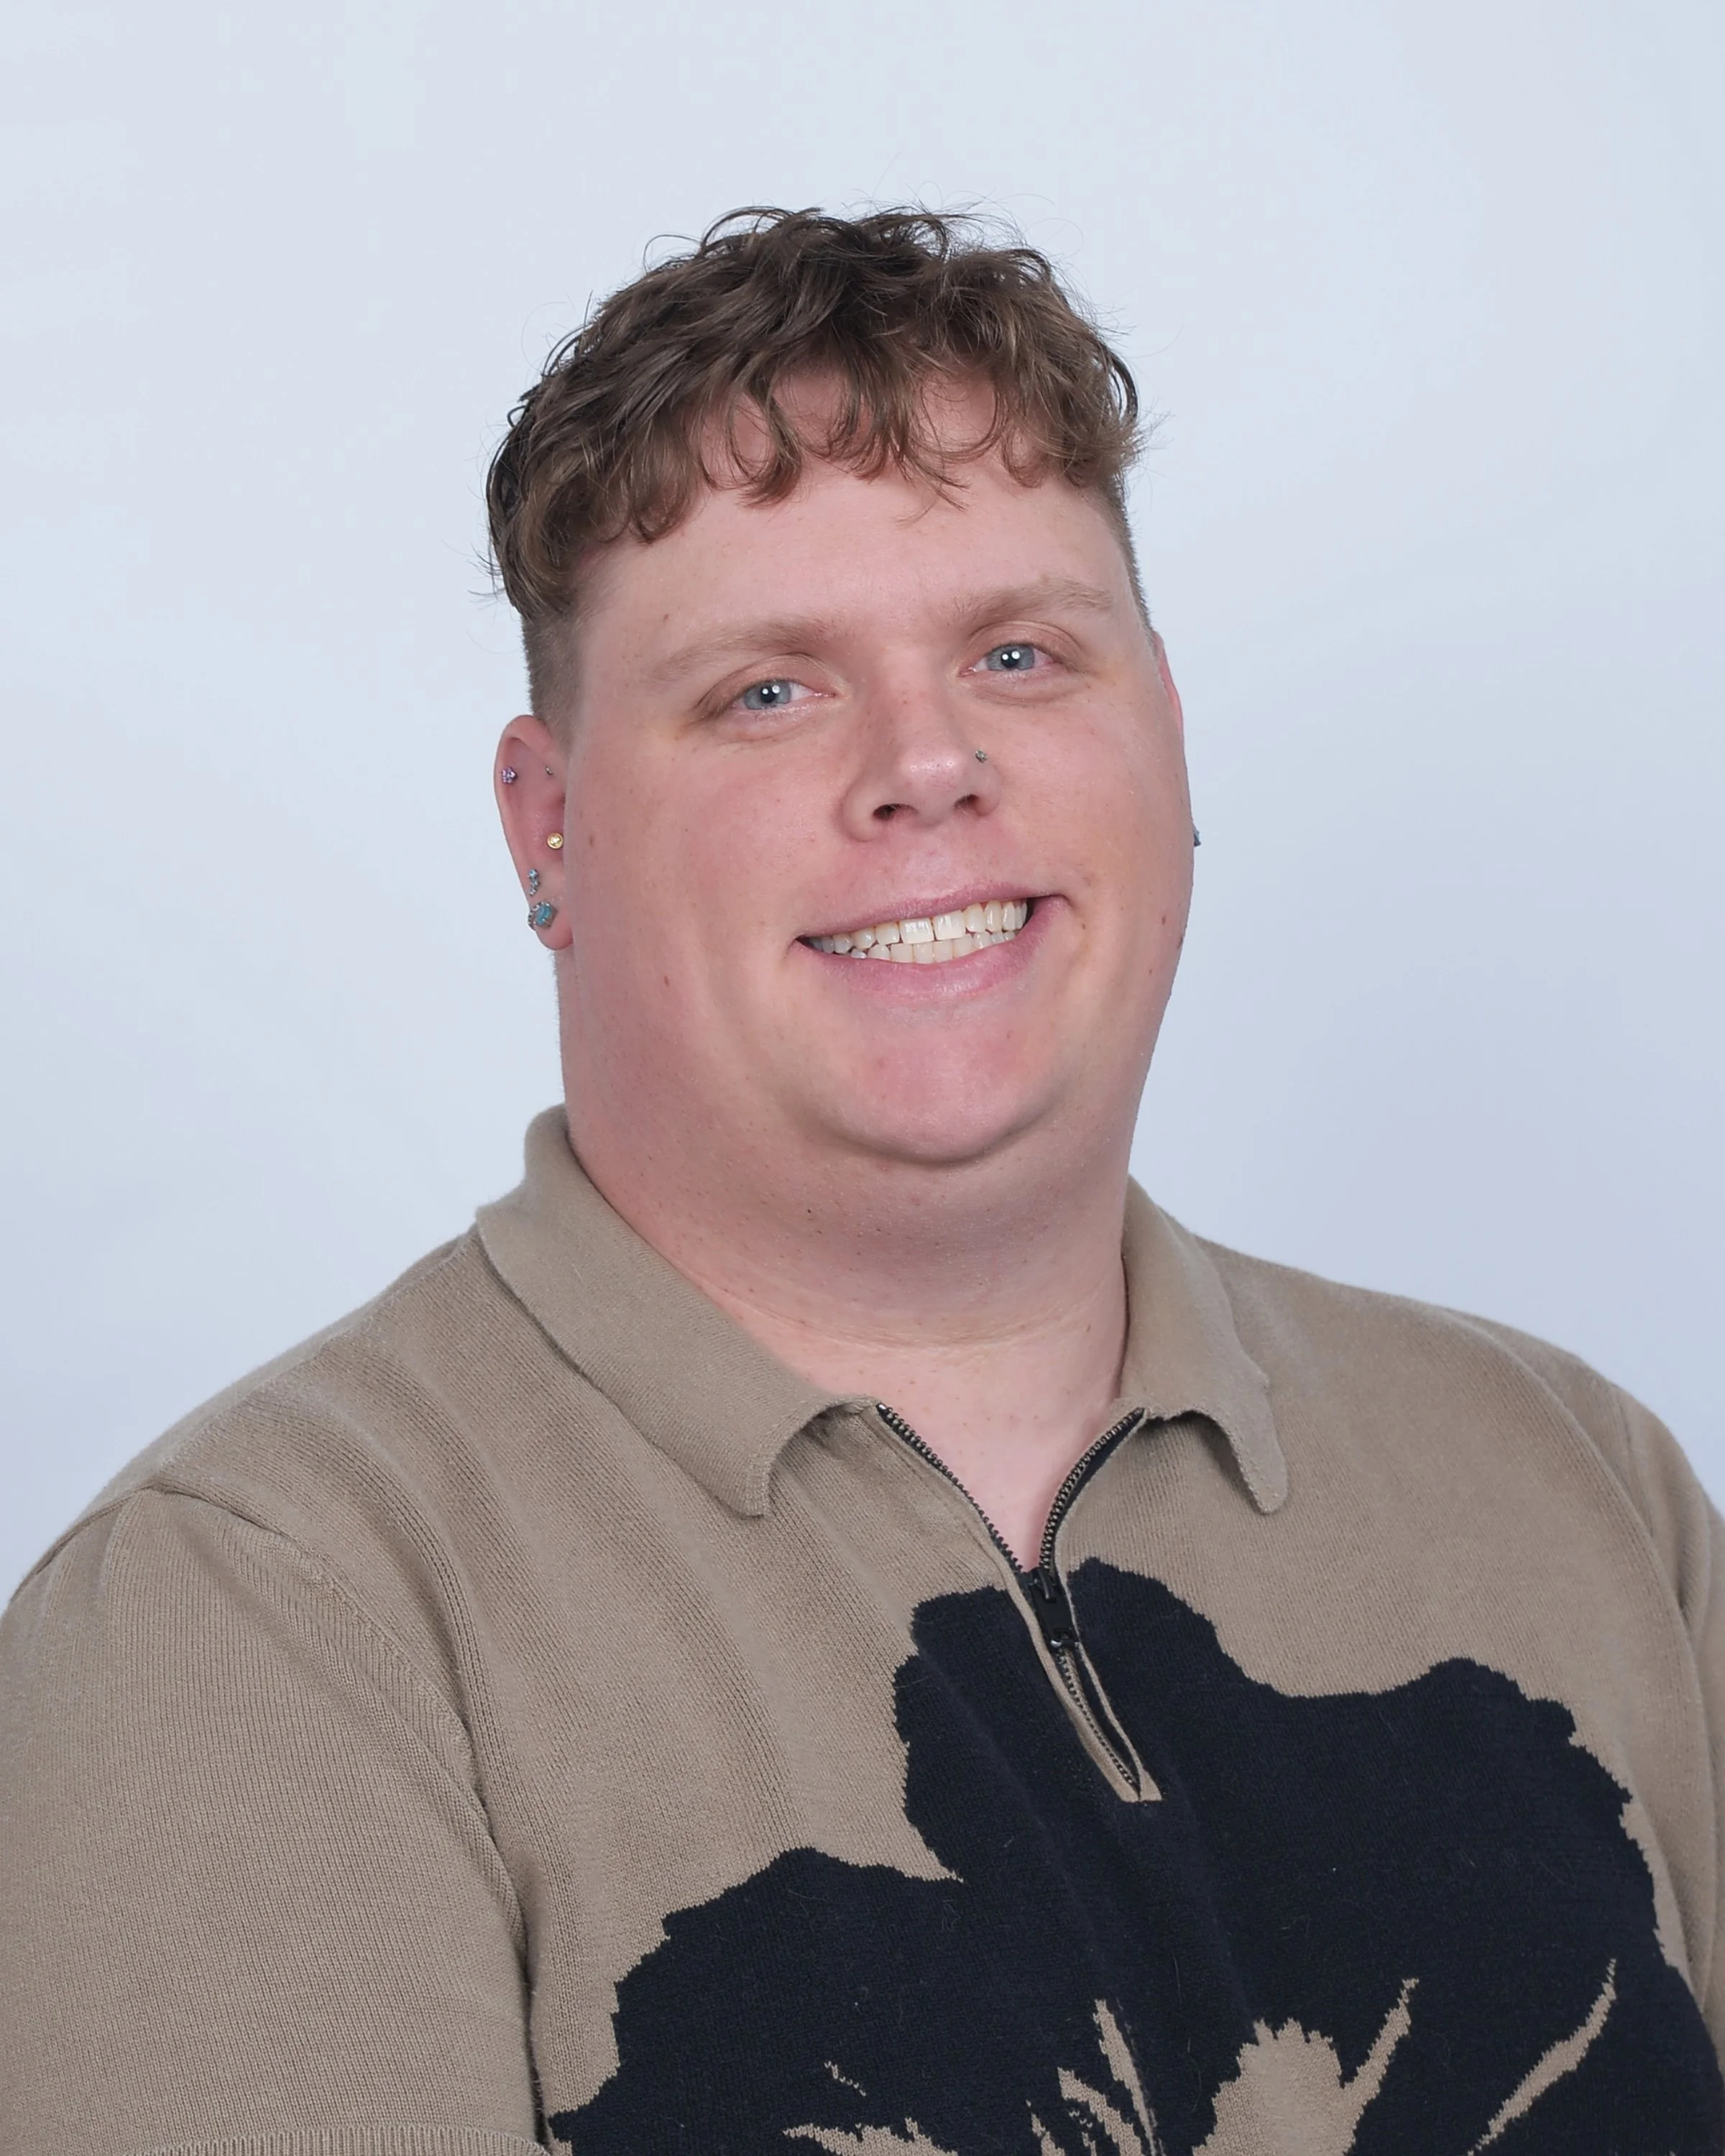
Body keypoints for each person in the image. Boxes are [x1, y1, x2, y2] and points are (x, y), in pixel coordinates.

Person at [2, 206, 1721, 2156]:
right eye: (769, 689)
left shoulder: (1583, 1493)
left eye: (1016, 650)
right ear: (547, 828)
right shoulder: (262, 1632)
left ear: (1161, 725)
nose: (929, 764)